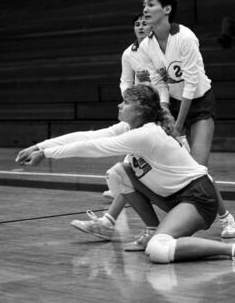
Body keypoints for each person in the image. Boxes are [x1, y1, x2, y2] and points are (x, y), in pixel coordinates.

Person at [15, 84, 235, 264]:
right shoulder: (129, 128)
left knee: (158, 249)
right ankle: (152, 230)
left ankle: (230, 250)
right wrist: (39, 147)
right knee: (118, 173)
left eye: (126, 102)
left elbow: (94, 148)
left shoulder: (146, 134)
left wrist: (46, 153)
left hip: (198, 198)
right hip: (173, 198)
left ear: (140, 109)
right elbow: (87, 137)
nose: (120, 105)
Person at [137, 0, 235, 238]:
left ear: (167, 9)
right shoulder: (147, 46)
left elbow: (191, 83)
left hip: (200, 101)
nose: (145, 9)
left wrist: (178, 124)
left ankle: (227, 219)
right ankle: (176, 217)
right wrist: (165, 112)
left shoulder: (185, 37)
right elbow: (159, 83)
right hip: (175, 104)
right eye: (144, 5)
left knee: (197, 167)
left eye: (151, 4)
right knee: (176, 166)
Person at [103, 13, 151, 200]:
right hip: (139, 105)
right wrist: (129, 99)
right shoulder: (128, 53)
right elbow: (125, 80)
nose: (140, 27)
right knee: (129, 140)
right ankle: (121, 183)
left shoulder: (160, 50)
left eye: (144, 23)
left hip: (160, 103)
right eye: (137, 24)